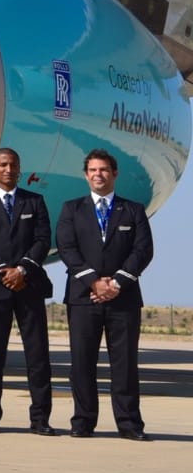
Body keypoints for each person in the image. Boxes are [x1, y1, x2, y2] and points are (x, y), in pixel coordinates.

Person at [56, 148, 154, 440]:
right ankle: (83, 422)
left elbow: (143, 250)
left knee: (124, 364)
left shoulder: (133, 210)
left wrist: (116, 283)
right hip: (83, 298)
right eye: (93, 170)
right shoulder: (71, 209)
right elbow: (67, 249)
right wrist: (93, 283)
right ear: (86, 175)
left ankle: (129, 424)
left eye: (104, 170)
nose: (98, 175)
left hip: (123, 299)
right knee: (82, 363)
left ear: (114, 174)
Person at [0, 147, 55, 435]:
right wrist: (4, 271)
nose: (8, 169)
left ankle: (40, 418)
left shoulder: (35, 201)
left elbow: (42, 241)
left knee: (38, 355)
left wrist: (23, 270)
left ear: (19, 168)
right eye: (3, 164)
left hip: (28, 287)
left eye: (13, 165)